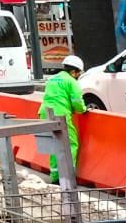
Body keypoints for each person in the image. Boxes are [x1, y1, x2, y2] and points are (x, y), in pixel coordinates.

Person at [39, 55, 86, 184]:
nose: (78, 76)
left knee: (54, 145)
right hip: (60, 114)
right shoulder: (71, 81)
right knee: (70, 144)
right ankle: (67, 175)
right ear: (73, 72)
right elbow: (77, 102)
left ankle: (55, 175)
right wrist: (83, 110)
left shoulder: (52, 79)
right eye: (78, 73)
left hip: (45, 112)